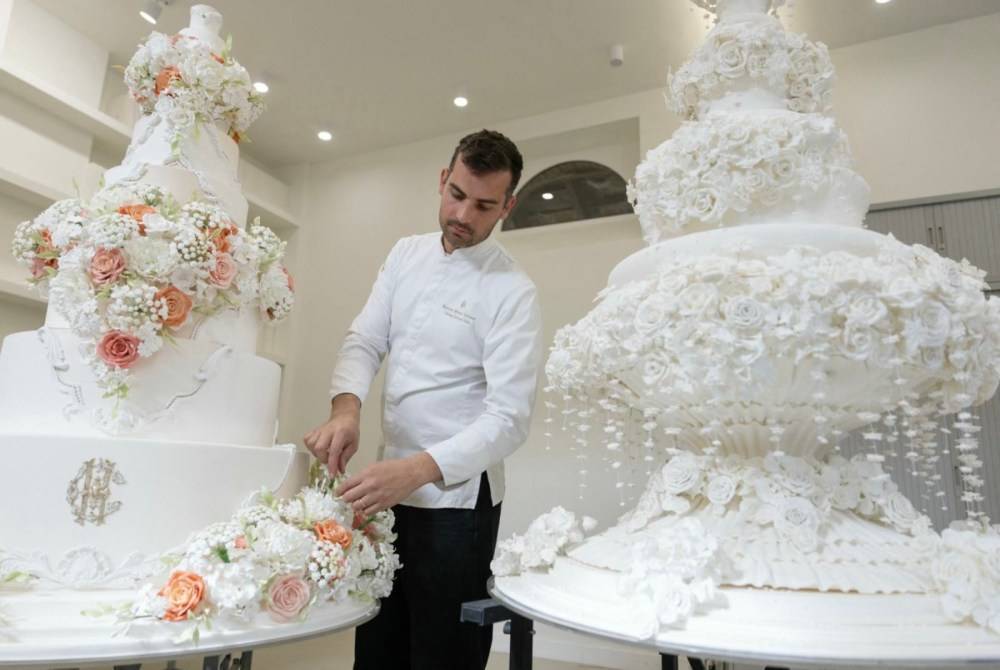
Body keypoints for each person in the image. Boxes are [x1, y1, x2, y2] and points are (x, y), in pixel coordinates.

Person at [304, 129, 543, 670]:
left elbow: (509, 419)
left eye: (484, 205)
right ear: (442, 180)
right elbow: (365, 340)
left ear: (508, 206)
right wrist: (346, 409)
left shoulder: (513, 290)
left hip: (457, 505)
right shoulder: (405, 254)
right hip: (388, 489)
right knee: (379, 644)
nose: (463, 214)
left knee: (442, 655)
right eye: (456, 194)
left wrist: (417, 471)